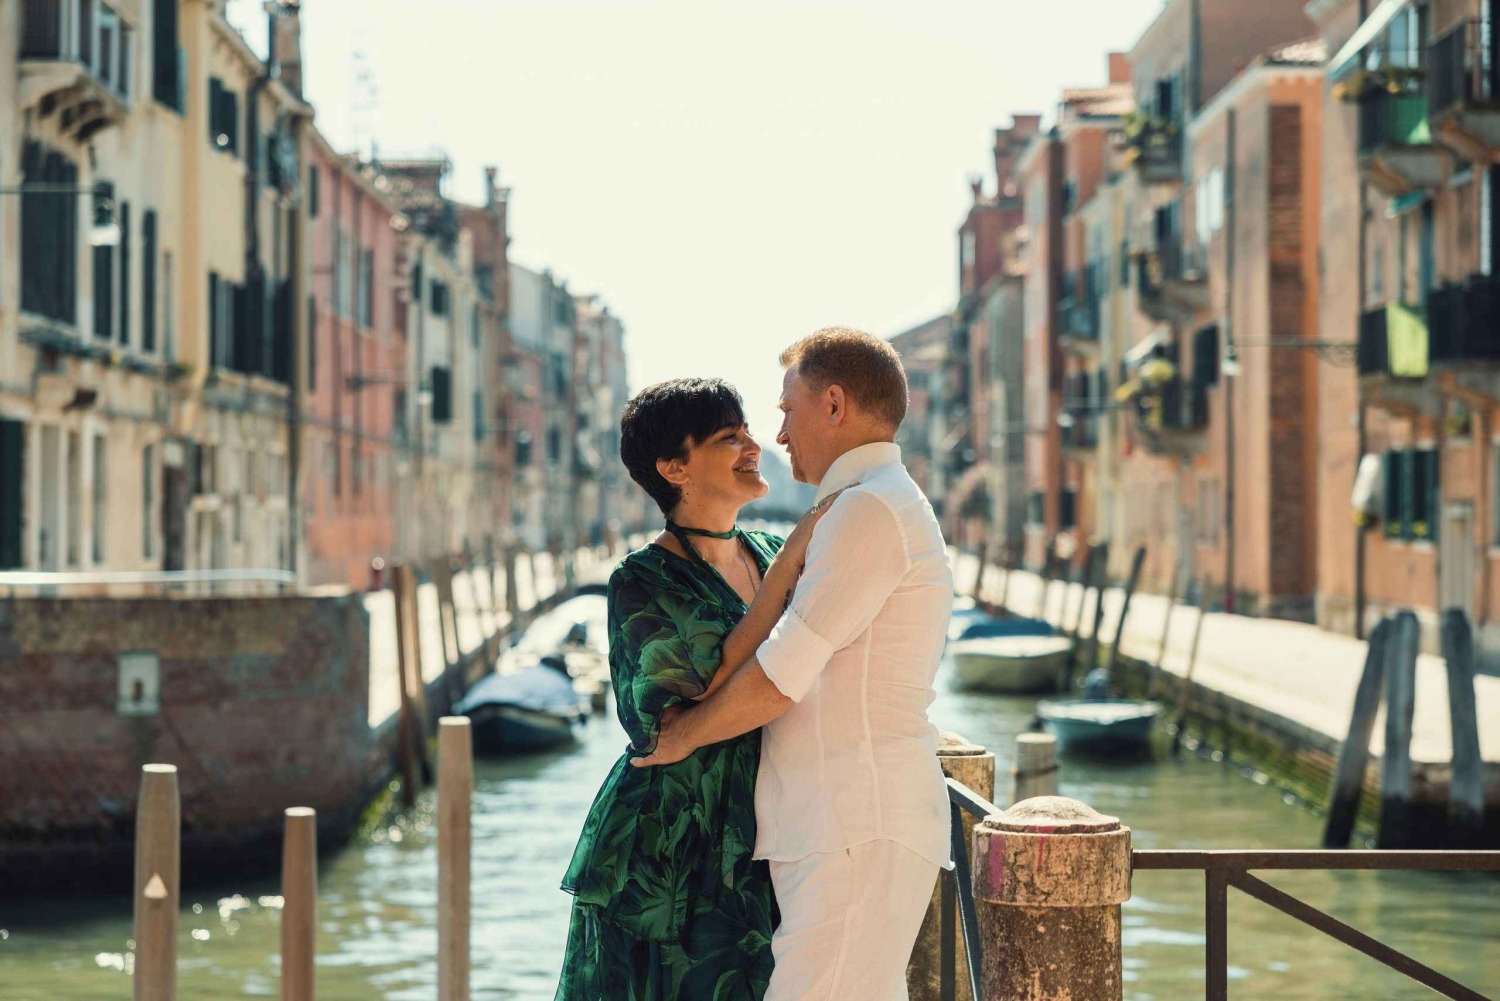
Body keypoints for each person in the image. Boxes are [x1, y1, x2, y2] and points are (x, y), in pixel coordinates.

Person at [632, 328, 955, 1001]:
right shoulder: (867, 502)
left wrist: (683, 734)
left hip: (853, 826)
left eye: (786, 410)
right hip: (842, 825)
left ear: (833, 404)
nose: (777, 436)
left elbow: (784, 672)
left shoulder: (867, 507)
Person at [556, 377, 837, 1001]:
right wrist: (788, 571)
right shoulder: (643, 579)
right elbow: (692, 699)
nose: (752, 446)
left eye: (746, 431)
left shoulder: (768, 551)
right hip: (670, 841)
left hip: (768, 822)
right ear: (674, 468)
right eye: (726, 438)